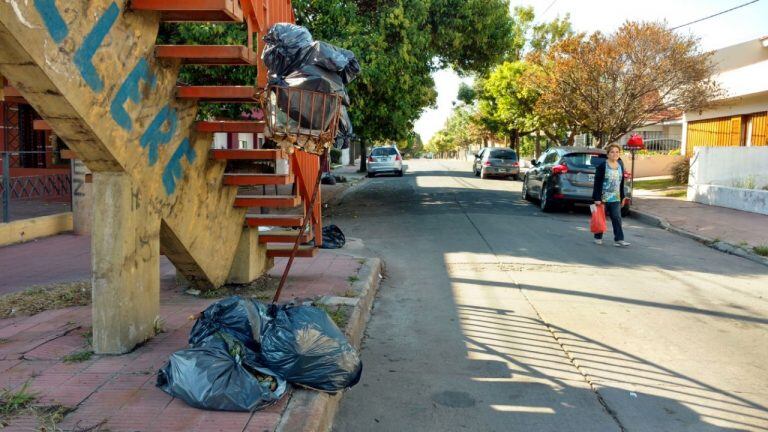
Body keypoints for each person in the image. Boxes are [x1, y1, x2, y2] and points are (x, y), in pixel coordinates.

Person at [592, 144, 630, 247]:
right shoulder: (603, 166)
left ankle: (619, 239)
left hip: (615, 197)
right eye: (612, 152)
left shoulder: (620, 165)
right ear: (608, 154)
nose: (615, 154)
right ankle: (598, 237)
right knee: (600, 217)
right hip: (603, 198)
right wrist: (597, 198)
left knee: (617, 217)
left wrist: (623, 197)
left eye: (617, 152)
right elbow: (597, 183)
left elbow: (621, 183)